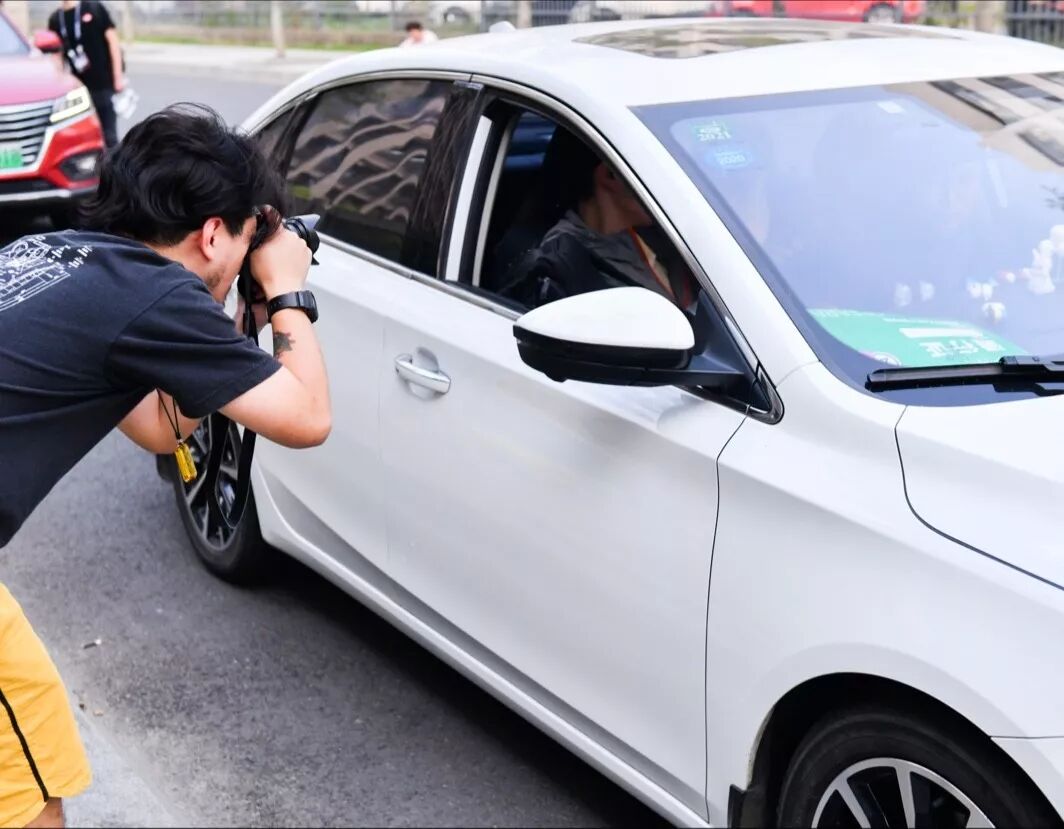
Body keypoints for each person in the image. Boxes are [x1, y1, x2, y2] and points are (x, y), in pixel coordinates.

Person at [0, 104, 331, 828]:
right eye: (243, 241)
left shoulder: (57, 256)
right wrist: (285, 291)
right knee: (28, 791)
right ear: (212, 233)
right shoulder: (153, 294)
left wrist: (230, 331)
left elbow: (159, 428)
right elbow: (308, 417)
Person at [500, 128, 698, 310]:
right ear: (609, 176)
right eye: (653, 172)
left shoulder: (664, 235)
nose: (667, 186)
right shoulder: (562, 266)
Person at [48, 0, 124, 148]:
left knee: (109, 135)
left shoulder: (93, 8)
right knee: (83, 138)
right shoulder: (56, 19)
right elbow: (56, 56)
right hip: (77, 89)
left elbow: (113, 42)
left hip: (102, 83)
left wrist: (118, 77)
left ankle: (113, 162)